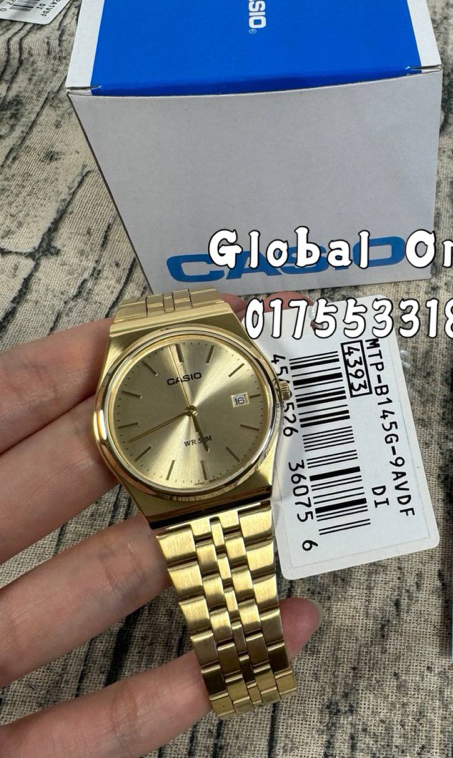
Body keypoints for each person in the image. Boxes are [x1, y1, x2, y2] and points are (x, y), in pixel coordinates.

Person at [0, 295, 321, 756]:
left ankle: (248, 672)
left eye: (194, 403)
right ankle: (245, 674)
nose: (191, 410)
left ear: (276, 389)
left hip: (236, 470)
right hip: (172, 482)